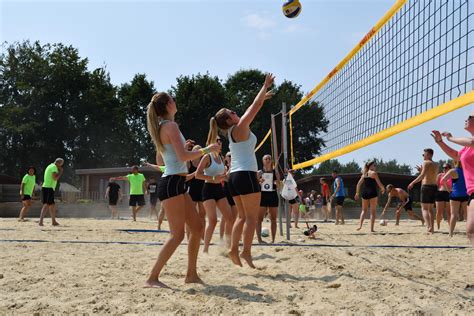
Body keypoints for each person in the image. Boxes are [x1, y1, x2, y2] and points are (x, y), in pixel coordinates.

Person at [145, 92, 219, 288]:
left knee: (196, 227)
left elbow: (163, 160)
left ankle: (191, 275)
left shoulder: (163, 127)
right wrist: (207, 149)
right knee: (177, 235)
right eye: (173, 99)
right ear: (168, 104)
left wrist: (181, 152)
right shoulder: (170, 126)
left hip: (175, 182)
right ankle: (152, 278)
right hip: (171, 184)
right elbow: (185, 156)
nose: (175, 102)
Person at [211, 73, 274, 268]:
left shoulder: (233, 132)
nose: (234, 111)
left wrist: (262, 96)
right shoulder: (238, 128)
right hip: (245, 175)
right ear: (228, 120)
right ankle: (245, 252)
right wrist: (264, 86)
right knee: (252, 218)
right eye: (231, 112)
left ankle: (232, 249)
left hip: (235, 177)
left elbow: (253, 107)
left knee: (241, 216)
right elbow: (254, 107)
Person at [432, 122, 474, 244]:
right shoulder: (466, 147)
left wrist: (450, 138)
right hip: (470, 192)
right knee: (470, 231)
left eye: (470, 117)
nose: (465, 119)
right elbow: (455, 155)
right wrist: (440, 142)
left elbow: (472, 142)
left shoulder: (470, 142)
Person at [195, 135, 235, 253]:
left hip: (219, 189)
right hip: (208, 189)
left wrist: (230, 174)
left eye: (220, 141)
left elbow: (223, 177)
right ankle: (205, 249)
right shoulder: (207, 157)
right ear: (211, 143)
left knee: (230, 219)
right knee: (212, 220)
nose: (219, 143)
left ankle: (227, 245)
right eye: (217, 141)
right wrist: (213, 178)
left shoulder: (222, 158)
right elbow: (198, 174)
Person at [408, 148, 438, 233]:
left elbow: (422, 176)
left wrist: (412, 182)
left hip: (426, 187)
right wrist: (421, 170)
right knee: (431, 209)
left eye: (424, 154)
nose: (423, 156)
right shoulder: (436, 164)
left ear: (428, 154)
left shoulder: (426, 162)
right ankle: (432, 228)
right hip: (433, 187)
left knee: (424, 208)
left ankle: (428, 226)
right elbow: (429, 175)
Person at [355, 161, 385, 232]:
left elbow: (358, 184)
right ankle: (371, 229)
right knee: (373, 212)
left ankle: (360, 226)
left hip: (365, 193)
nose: (375, 167)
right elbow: (379, 184)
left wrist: (357, 193)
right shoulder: (374, 173)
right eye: (374, 165)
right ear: (370, 166)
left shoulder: (364, 174)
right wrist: (383, 189)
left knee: (363, 210)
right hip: (372, 193)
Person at [442, 161, 469, 237]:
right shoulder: (467, 170)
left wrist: (448, 190)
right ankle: (469, 233)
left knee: (453, 214)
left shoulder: (452, 170)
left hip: (455, 194)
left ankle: (450, 233)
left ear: (454, 163)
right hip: (465, 194)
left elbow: (443, 180)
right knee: (467, 215)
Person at [256, 154, 279, 244]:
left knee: (273, 219)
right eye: (266, 158)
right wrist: (259, 181)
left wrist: (276, 182)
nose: (268, 160)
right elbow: (254, 184)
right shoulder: (259, 172)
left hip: (273, 194)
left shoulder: (275, 172)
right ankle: (259, 240)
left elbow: (279, 185)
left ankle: (273, 240)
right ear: (263, 161)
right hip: (262, 195)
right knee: (259, 219)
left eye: (269, 158)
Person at [186, 145, 206, 239]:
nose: (198, 152)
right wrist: (196, 173)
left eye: (199, 150)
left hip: (203, 189)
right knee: (190, 214)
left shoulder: (204, 161)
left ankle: (203, 236)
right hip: (192, 189)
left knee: (202, 214)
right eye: (196, 150)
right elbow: (185, 177)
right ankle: (188, 236)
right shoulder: (189, 162)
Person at [39, 158, 64, 226]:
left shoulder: (50, 166)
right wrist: (61, 172)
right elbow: (55, 178)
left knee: (52, 205)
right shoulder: (54, 167)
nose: (61, 166)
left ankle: (53, 221)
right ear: (58, 163)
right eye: (61, 164)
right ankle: (40, 222)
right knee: (46, 205)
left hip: (47, 187)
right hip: (48, 188)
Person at [221, 151, 238, 240]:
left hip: (234, 192)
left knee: (234, 216)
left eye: (232, 156)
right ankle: (221, 237)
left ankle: (231, 238)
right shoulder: (224, 167)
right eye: (229, 156)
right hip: (226, 192)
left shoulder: (236, 167)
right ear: (226, 158)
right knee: (225, 217)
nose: (231, 157)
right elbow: (224, 178)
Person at [435, 163, 452, 230]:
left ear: (450, 168)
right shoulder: (439, 175)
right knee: (439, 212)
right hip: (440, 193)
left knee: (449, 212)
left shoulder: (452, 175)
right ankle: (438, 226)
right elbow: (436, 185)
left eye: (446, 167)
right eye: (443, 167)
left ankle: (450, 227)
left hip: (449, 193)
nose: (444, 169)